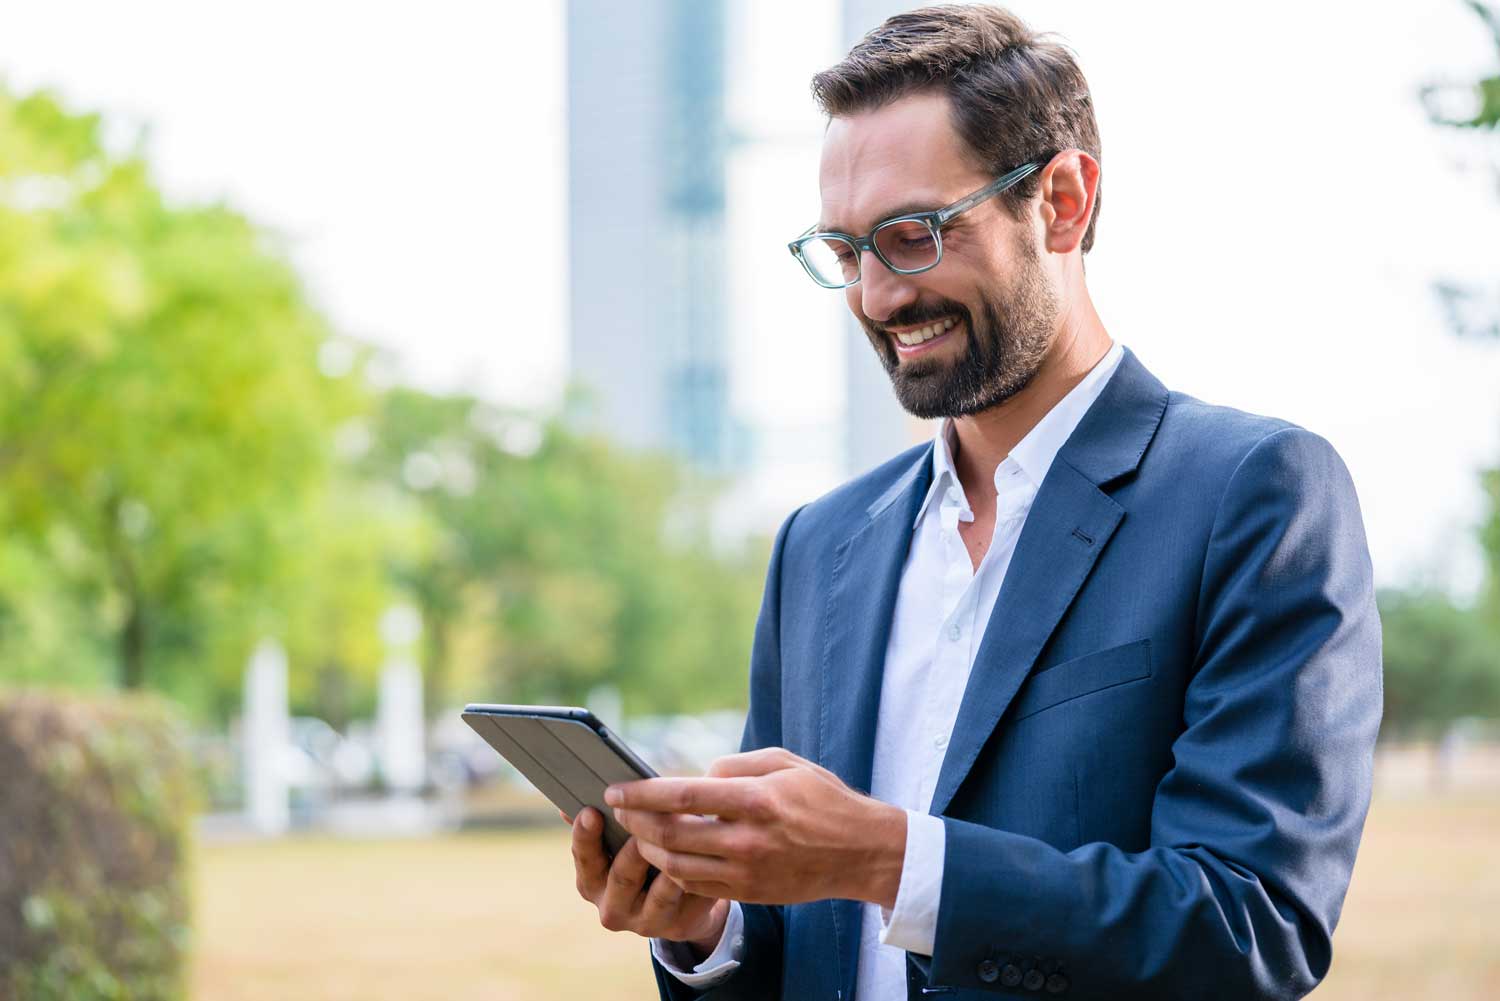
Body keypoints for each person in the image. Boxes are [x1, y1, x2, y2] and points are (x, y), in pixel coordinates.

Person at [566, 6, 1383, 999]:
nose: (874, 295)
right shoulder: (819, 547)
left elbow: (1250, 927)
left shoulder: (1255, 494)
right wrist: (708, 931)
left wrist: (886, 858)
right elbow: (805, 946)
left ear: (1064, 201)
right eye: (845, 250)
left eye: (911, 236)